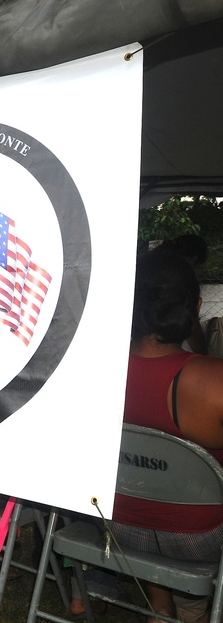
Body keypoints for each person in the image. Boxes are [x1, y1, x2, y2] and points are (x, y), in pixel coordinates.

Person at [105, 251, 223, 621]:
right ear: (197, 306)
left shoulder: (97, 369)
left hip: (121, 527)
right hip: (201, 537)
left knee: (151, 492)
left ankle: (160, 604)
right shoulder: (213, 381)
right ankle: (191, 609)